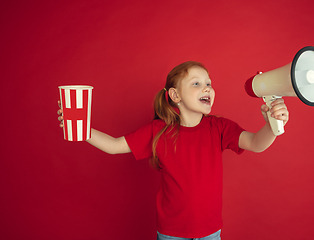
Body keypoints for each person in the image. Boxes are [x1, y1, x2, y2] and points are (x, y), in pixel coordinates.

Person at [57, 61, 289, 240]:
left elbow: (256, 143)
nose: (207, 87)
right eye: (196, 83)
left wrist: (272, 126)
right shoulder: (159, 131)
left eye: (208, 83)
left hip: (210, 232)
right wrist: (82, 129)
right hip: (171, 233)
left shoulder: (219, 127)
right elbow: (115, 145)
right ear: (175, 96)